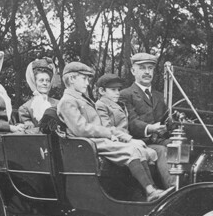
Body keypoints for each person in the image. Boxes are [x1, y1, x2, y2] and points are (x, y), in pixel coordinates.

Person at [57, 62, 169, 202]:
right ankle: (150, 191)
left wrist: (113, 135)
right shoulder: (67, 101)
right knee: (132, 151)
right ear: (72, 79)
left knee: (138, 150)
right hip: (87, 143)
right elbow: (81, 129)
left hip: (97, 140)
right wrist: (109, 134)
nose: (87, 83)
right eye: (84, 79)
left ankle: (151, 191)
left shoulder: (81, 99)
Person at [119, 52, 173, 188]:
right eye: (142, 68)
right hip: (139, 143)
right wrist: (150, 128)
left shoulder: (160, 96)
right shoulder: (126, 94)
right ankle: (174, 190)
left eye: (150, 68)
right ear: (133, 71)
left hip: (160, 140)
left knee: (182, 146)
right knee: (161, 150)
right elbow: (131, 122)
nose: (147, 72)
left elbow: (166, 121)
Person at [95, 73, 158, 167]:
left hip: (124, 140)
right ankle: (146, 182)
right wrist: (130, 140)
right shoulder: (101, 105)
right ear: (102, 91)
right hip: (115, 141)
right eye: (113, 90)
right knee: (145, 154)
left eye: (118, 90)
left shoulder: (120, 105)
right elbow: (107, 128)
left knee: (152, 153)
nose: (117, 93)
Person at [18, 58, 59, 128]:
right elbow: (29, 133)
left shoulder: (58, 104)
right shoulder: (25, 108)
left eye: (48, 80)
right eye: (41, 80)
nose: (45, 83)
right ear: (34, 82)